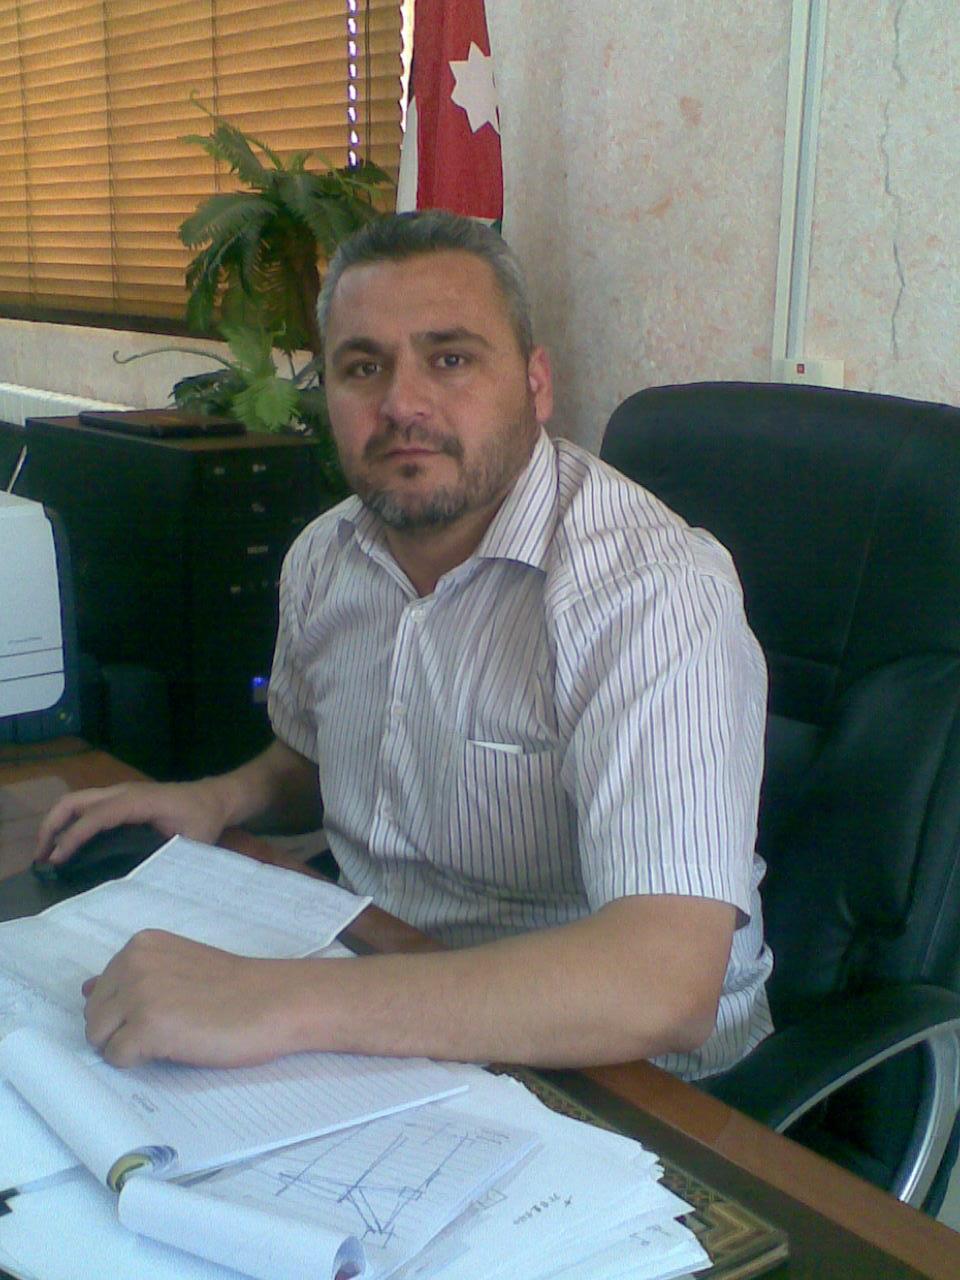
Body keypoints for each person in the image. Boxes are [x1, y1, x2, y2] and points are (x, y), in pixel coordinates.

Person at [36, 211, 773, 1079]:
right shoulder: (325, 556)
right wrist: (217, 799)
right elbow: (315, 759)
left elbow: (661, 986)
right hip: (383, 985)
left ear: (536, 385)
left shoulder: (649, 593)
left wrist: (275, 1001)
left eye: (450, 359)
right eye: (363, 367)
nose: (402, 405)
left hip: (620, 1078)